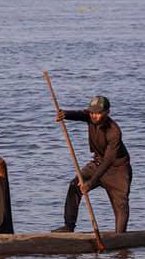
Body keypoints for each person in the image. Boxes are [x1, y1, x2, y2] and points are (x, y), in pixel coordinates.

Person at [52, 95, 131, 233]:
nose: (94, 116)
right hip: (97, 164)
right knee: (74, 185)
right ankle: (68, 227)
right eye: (92, 112)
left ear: (107, 112)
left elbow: (108, 161)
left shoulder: (114, 132)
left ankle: (120, 239)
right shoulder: (90, 116)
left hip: (117, 170)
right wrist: (65, 114)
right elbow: (80, 114)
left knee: (121, 206)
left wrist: (90, 183)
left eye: (99, 113)